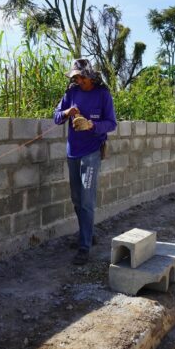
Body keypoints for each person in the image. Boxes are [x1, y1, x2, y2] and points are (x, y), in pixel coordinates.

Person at [54, 59, 117, 265]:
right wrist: (66, 112)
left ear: (89, 76)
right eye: (75, 78)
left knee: (87, 199)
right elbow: (56, 117)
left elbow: (111, 123)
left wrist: (91, 125)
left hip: (91, 152)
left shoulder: (102, 94)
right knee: (76, 199)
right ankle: (87, 234)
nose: (78, 81)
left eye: (80, 77)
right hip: (73, 152)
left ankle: (84, 247)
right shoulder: (71, 93)